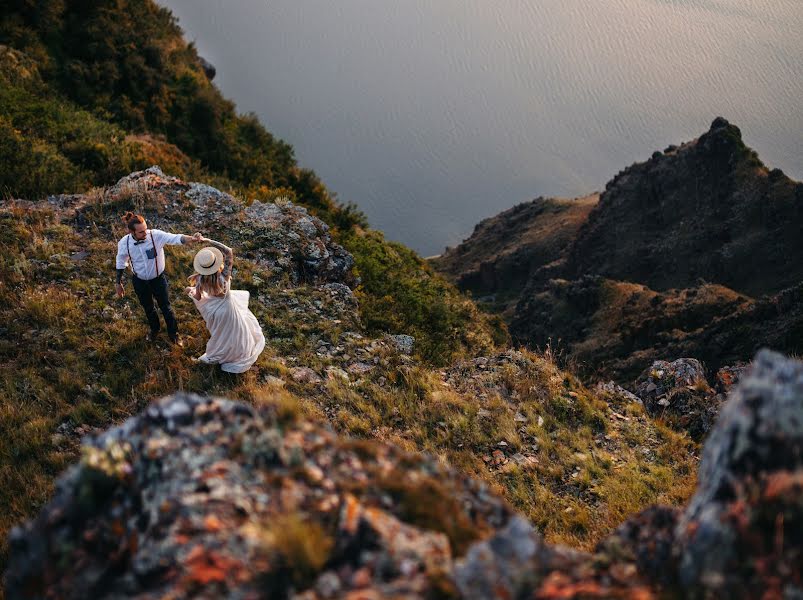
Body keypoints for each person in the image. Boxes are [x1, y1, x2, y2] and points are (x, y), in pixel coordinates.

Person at [115, 211, 203, 345]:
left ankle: (174, 334)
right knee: (148, 308)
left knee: (165, 307)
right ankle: (154, 329)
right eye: (141, 232)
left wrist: (192, 238)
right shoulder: (124, 243)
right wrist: (118, 282)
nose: (145, 233)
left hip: (157, 279)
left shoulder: (155, 235)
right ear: (131, 232)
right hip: (139, 281)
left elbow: (176, 238)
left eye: (145, 229)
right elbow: (121, 262)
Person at [186, 237, 265, 373]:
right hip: (228, 308)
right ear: (216, 263)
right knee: (235, 331)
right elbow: (228, 251)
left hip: (215, 311)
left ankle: (217, 355)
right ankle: (236, 352)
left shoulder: (200, 278)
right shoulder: (224, 276)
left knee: (220, 334)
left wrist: (190, 292)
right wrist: (207, 240)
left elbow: (198, 297)